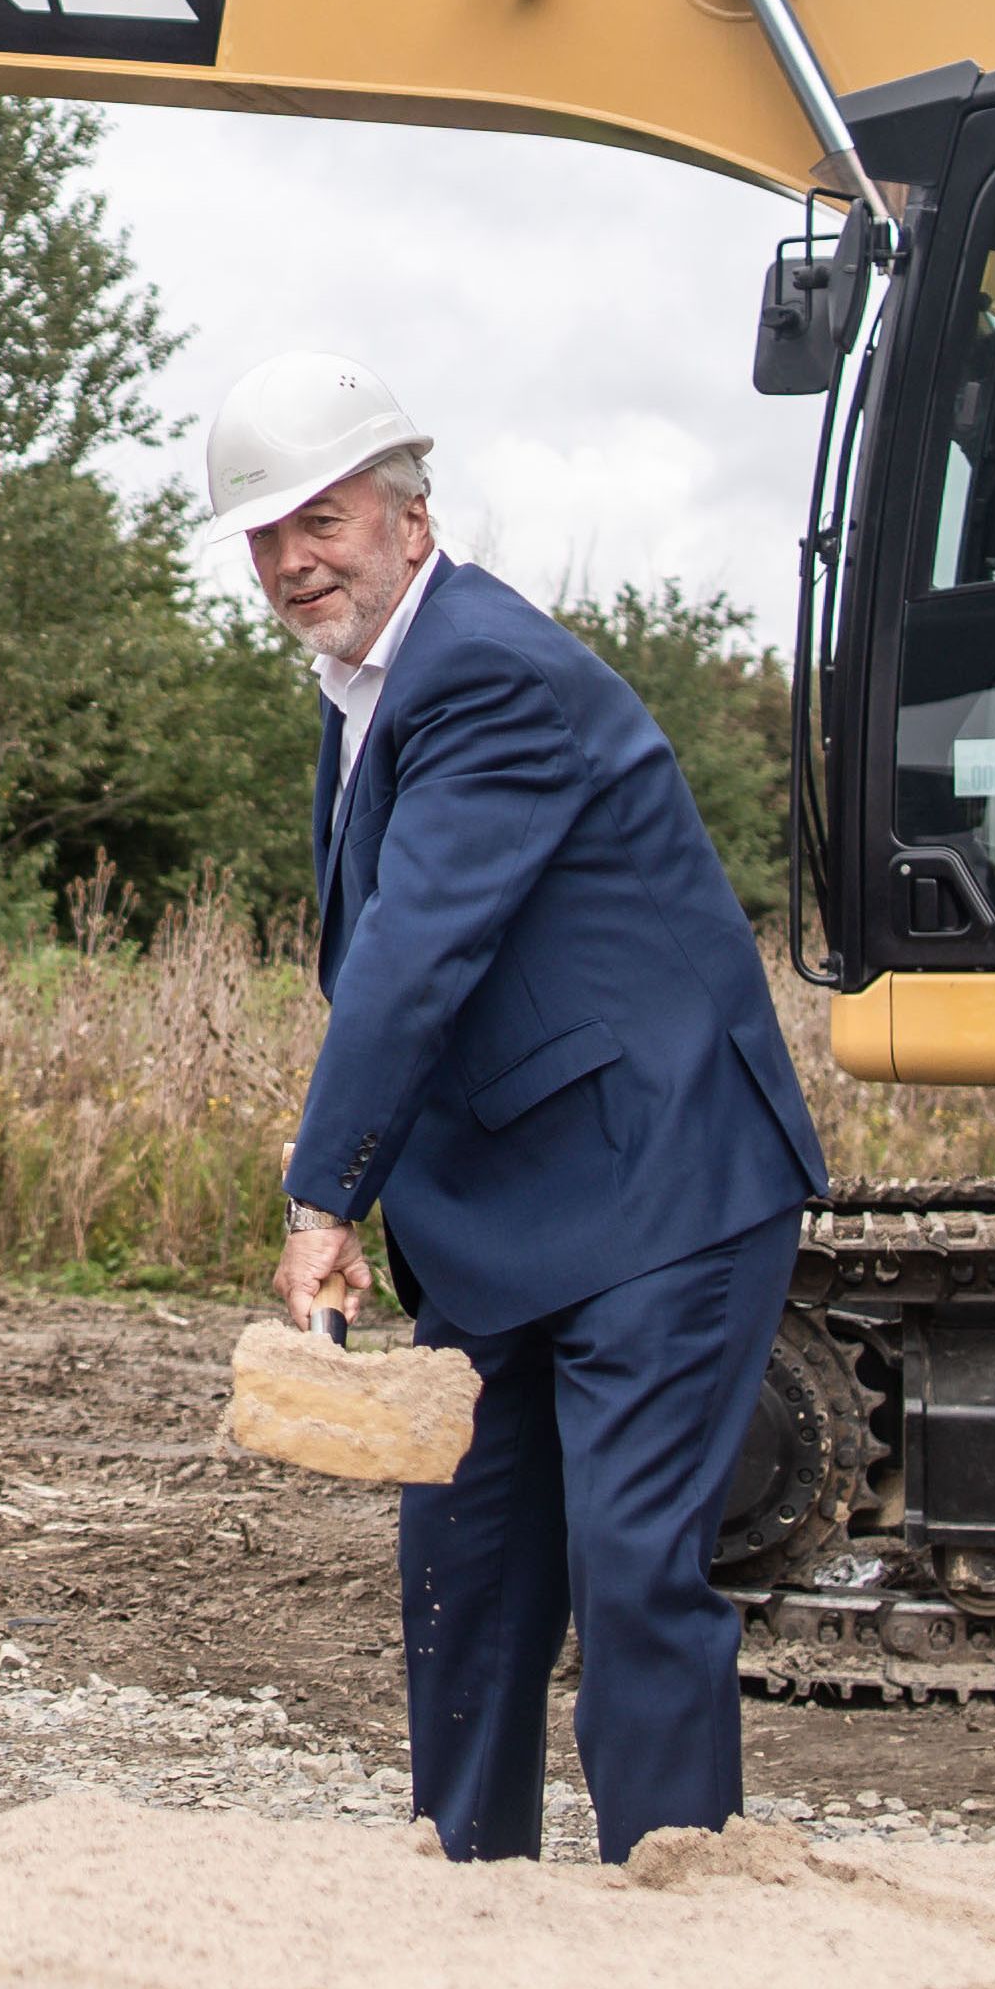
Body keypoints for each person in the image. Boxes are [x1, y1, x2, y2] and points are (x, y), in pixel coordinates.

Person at [215, 352, 828, 1866]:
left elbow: (415, 953)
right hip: (508, 1207)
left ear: (408, 517)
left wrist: (321, 1199)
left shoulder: (485, 667)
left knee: (629, 1560)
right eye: (265, 533)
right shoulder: (366, 683)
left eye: (325, 518)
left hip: (657, 1185)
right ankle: (466, 1876)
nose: (296, 558)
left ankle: (671, 1878)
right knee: (466, 1557)